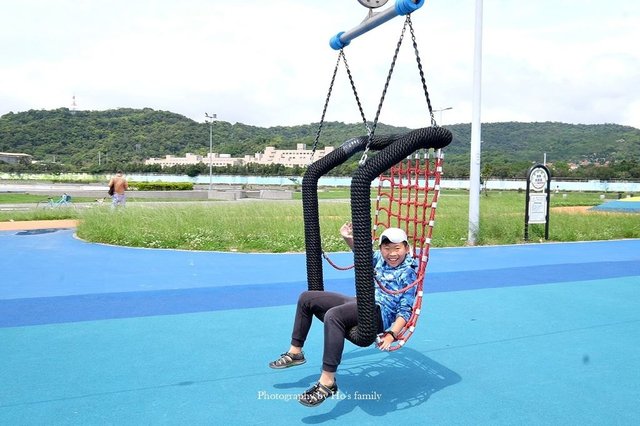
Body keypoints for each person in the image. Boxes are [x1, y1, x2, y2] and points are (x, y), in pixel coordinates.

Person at [269, 223, 417, 407]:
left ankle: (327, 381)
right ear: (381, 249)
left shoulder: (408, 272)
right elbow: (363, 255)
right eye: (387, 249)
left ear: (406, 248)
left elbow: (405, 310)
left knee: (333, 316)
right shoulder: (380, 259)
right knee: (307, 298)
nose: (392, 254)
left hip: (379, 314)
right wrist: (348, 237)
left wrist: (392, 333)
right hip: (361, 302)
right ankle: (295, 352)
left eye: (397, 248)